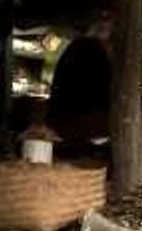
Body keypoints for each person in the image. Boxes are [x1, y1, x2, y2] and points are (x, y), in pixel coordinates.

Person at [47, 9, 115, 143]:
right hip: (76, 123)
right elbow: (106, 92)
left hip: (67, 122)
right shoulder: (90, 49)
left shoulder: (81, 46)